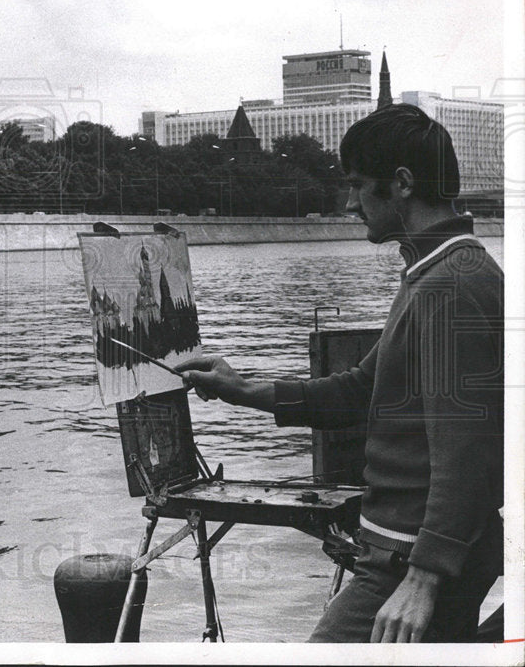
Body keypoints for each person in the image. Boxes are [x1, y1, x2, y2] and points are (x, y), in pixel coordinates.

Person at [176, 104, 503, 643]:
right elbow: (359, 392)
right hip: (404, 551)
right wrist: (240, 390)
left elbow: (467, 451)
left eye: (356, 185)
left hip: (407, 561)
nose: (349, 203)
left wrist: (423, 579)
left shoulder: (451, 287)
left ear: (401, 184)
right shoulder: (437, 271)